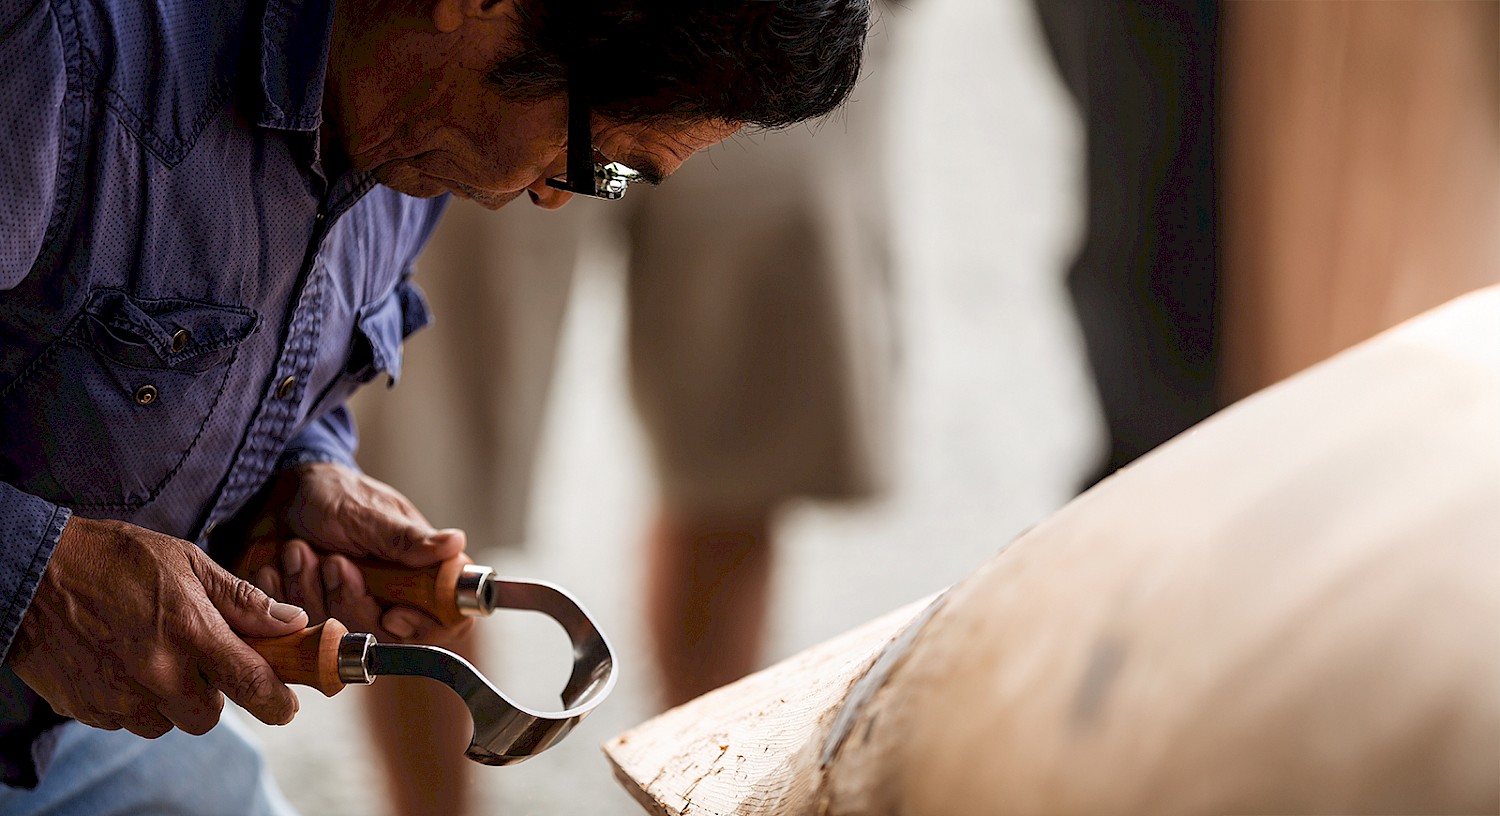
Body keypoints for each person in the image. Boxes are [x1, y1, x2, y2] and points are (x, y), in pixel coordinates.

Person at [0, 0, 870, 812]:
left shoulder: (413, 127)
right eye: (595, 154)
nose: (555, 195)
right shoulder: (54, 49)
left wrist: (296, 473)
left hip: (60, 733)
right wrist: (38, 582)